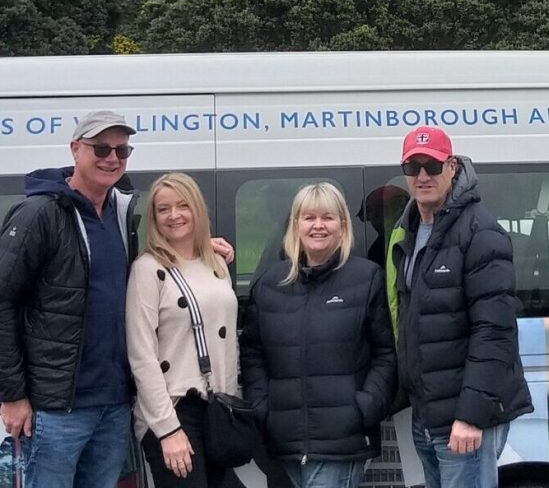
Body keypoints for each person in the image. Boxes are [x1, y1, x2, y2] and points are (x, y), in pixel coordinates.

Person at [0, 110, 233, 488]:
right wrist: (12, 395)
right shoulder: (39, 213)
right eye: (101, 148)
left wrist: (197, 247)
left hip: (112, 405)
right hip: (56, 408)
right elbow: (3, 300)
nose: (112, 158)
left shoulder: (119, 212)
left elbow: (149, 266)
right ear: (76, 150)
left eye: (122, 150)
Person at [387, 126, 533, 488]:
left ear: (452, 167)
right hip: (429, 415)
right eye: (413, 167)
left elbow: (494, 332)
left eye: (432, 166)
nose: (422, 176)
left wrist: (471, 416)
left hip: (463, 420)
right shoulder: (410, 229)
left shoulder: (480, 232)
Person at [241, 182, 396, 488]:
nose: (318, 226)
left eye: (327, 217)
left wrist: (364, 407)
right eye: (309, 218)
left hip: (341, 442)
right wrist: (263, 409)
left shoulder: (366, 279)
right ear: (295, 224)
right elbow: (253, 355)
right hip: (283, 444)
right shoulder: (270, 284)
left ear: (342, 225)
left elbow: (385, 355)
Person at [126, 173, 240, 488]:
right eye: (163, 209)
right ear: (153, 218)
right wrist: (167, 429)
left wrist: (232, 403)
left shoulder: (216, 262)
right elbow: (142, 356)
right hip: (174, 409)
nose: (174, 215)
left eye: (182, 205)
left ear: (197, 210)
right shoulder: (147, 270)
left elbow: (228, 341)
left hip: (217, 409)